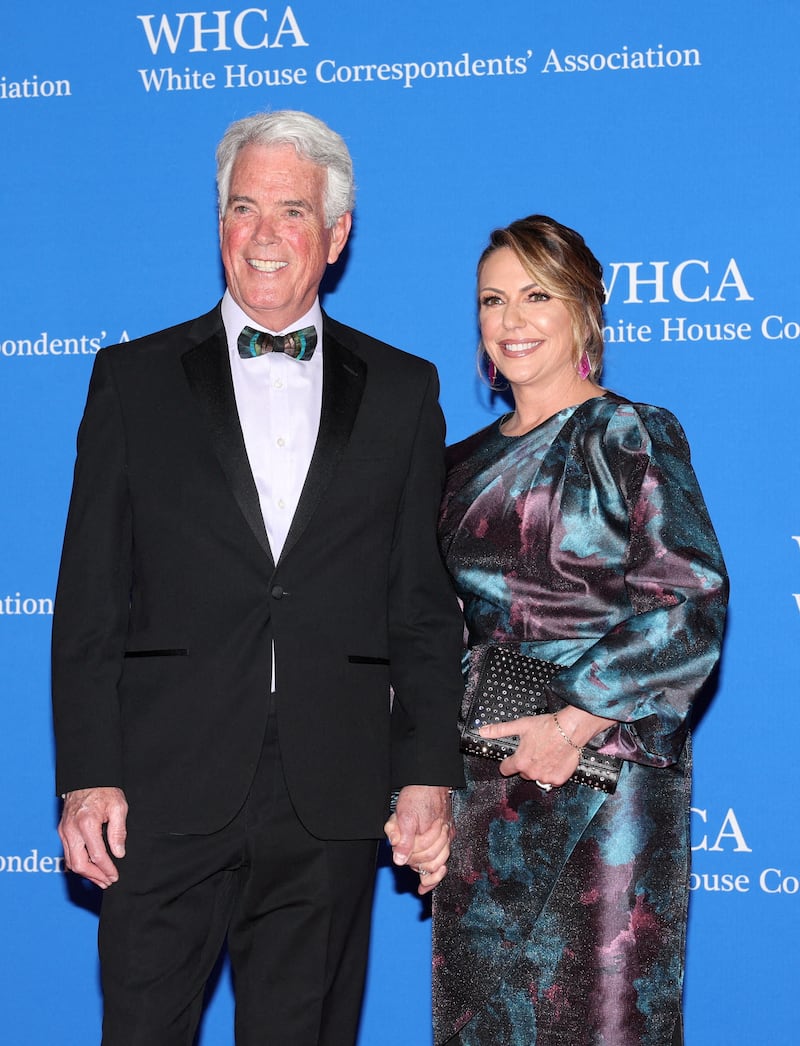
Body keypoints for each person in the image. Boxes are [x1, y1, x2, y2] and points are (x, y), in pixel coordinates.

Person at [52, 109, 464, 1046]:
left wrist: (426, 775)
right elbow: (86, 601)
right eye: (243, 208)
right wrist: (87, 776)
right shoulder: (132, 379)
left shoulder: (404, 390)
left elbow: (425, 611)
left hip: (331, 794)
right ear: (220, 223)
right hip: (159, 794)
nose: (265, 235)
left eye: (291, 210)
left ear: (336, 234)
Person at [431, 215, 728, 1046]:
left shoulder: (629, 434)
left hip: (607, 775)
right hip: (484, 781)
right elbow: (433, 634)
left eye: (536, 295)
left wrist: (574, 724)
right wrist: (412, 786)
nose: (511, 319)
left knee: (601, 1018)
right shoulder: (453, 466)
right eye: (493, 299)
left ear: (584, 312)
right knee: (485, 1018)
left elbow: (689, 603)